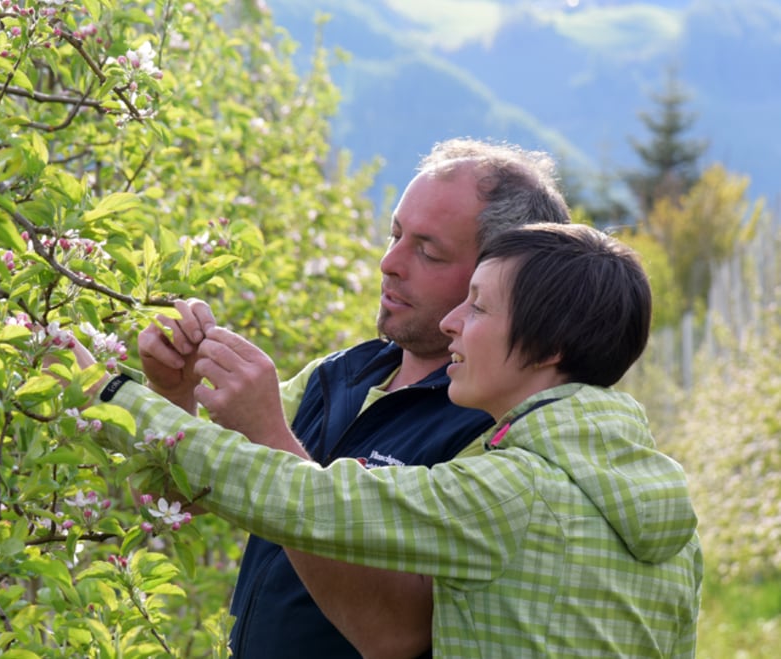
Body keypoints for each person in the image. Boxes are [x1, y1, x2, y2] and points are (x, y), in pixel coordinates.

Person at [78, 222, 702, 657]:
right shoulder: (660, 504)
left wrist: (103, 394)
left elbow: (301, 500)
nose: (455, 319)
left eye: (479, 307)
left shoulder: (513, 492)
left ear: (550, 347)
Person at [130, 138, 573, 658]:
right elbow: (173, 502)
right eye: (395, 235)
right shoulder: (338, 375)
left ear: (500, 280)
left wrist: (270, 437)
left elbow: (397, 634)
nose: (390, 262)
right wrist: (174, 390)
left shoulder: (496, 426)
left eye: (428, 251)